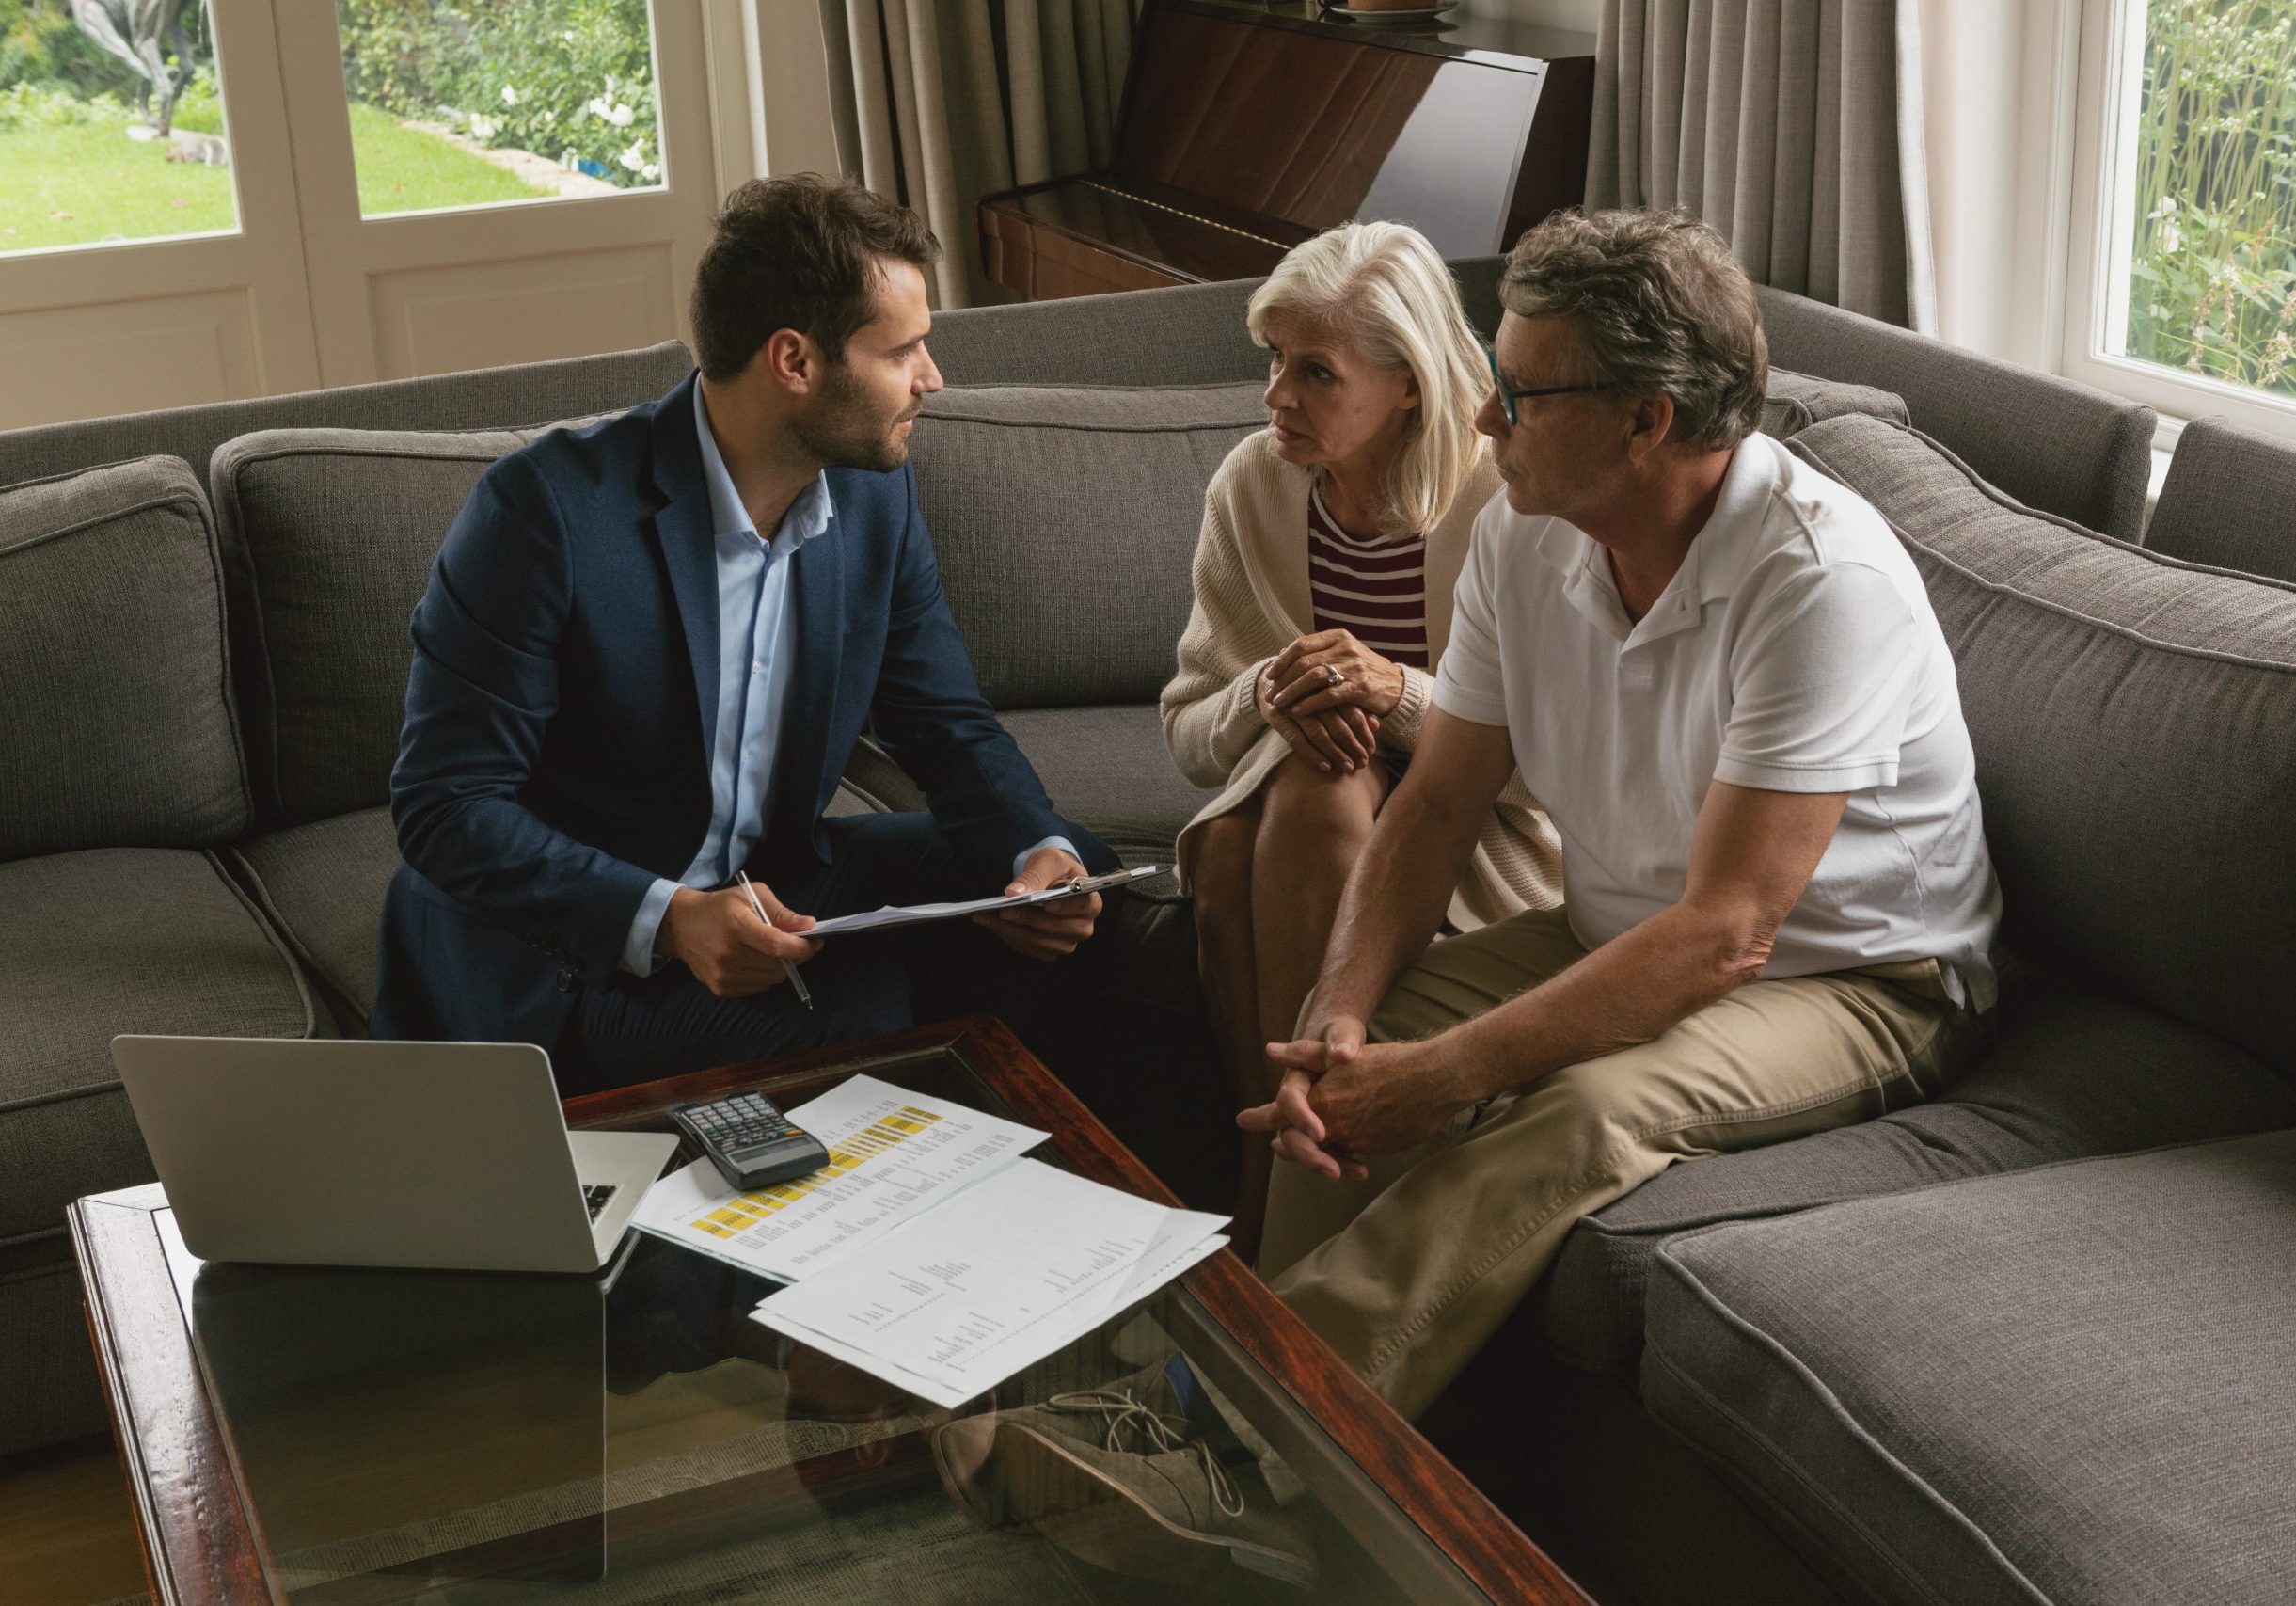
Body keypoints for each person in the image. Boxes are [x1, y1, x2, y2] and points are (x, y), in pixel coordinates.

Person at [940, 209, 2001, 1569]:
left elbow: (1728, 930)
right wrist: (1340, 1005)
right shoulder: (1527, 530)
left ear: (1646, 419)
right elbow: (1437, 800)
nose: (1485, 412)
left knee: (1582, 1110)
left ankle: (1221, 1433)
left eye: (1521, 388)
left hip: (1851, 974)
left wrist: (1444, 1074)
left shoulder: (1816, 580)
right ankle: (1246, 1451)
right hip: (1622, 924)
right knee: (1342, 1056)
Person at [372, 175, 1116, 1092]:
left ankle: (1030, 1176)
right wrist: (672, 915)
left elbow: (943, 720)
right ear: (794, 361)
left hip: (773, 881)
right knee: (859, 1024)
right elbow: (447, 804)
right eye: (904, 350)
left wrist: (1033, 850)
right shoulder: (547, 512)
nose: (932, 378)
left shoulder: (872, 494)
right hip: (566, 946)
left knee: (1079, 888)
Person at [1161, 221, 1561, 1250]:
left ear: (1410, 385)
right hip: (1280, 817)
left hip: (1477, 837)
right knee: (1291, 788)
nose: (1274, 398)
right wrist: (1265, 690)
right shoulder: (1251, 488)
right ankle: (1291, 1174)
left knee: (1310, 789)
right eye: (1272, 361)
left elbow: (1549, 772)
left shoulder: (1507, 502)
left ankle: (1262, 1190)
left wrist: (1396, 697)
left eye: (1314, 372)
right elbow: (1190, 732)